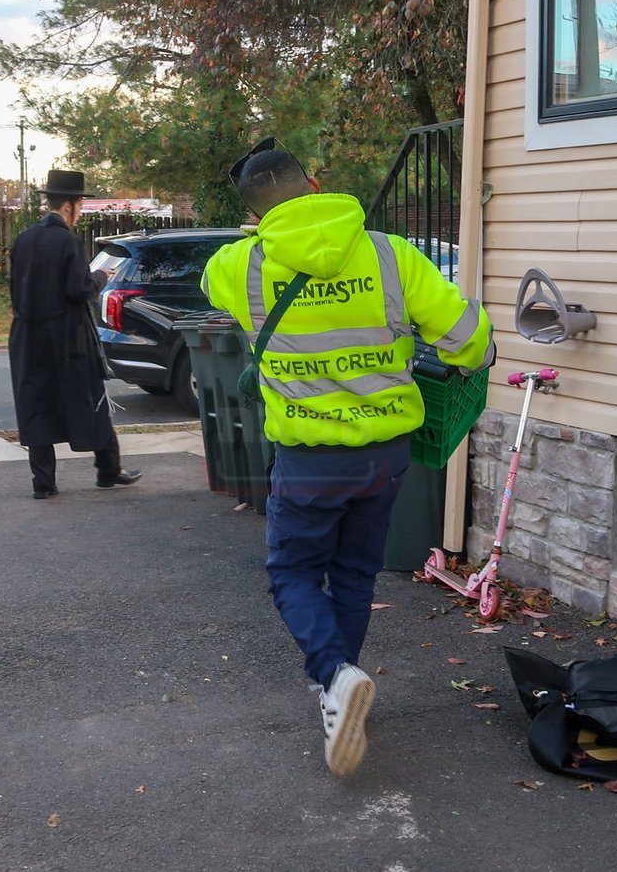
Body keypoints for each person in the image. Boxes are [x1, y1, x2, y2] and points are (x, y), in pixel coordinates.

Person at [201, 140, 494, 776]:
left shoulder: (239, 266)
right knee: (356, 573)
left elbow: (212, 283)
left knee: (293, 574)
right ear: (314, 185)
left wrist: (263, 236)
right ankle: (337, 688)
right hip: (384, 458)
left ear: (255, 213)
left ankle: (333, 676)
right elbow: (469, 341)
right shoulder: (392, 255)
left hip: (309, 460)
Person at [8, 169, 141, 499]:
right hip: (67, 338)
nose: (81, 210)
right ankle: (108, 471)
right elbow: (78, 290)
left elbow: (14, 289)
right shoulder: (67, 240)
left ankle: (43, 483)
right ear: (69, 205)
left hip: (27, 337)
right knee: (91, 401)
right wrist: (100, 276)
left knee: (36, 405)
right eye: (80, 203)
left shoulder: (24, 239)